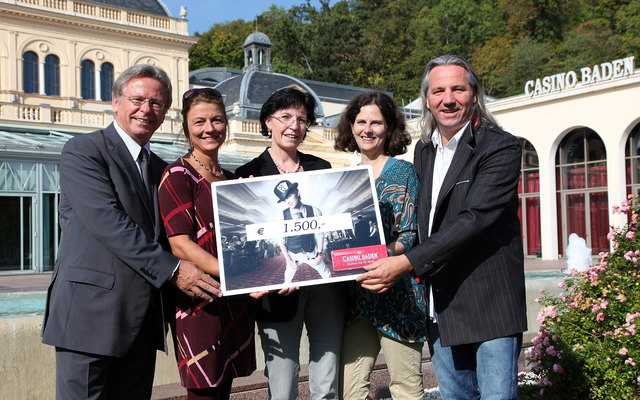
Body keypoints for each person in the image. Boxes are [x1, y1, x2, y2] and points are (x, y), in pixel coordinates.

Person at [41, 65, 221, 400]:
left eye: (157, 104)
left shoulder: (161, 169)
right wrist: (174, 270)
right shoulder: (84, 151)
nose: (146, 109)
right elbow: (108, 222)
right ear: (115, 102)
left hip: (141, 322)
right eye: (137, 99)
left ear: (165, 112)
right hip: (88, 319)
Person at [357, 55, 527, 399]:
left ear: (474, 95)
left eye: (457, 89)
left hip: (489, 305)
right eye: (438, 91)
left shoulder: (501, 146)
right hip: (442, 307)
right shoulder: (424, 151)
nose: (448, 99)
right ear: (427, 99)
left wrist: (404, 263)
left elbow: (474, 218)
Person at [235, 88, 347, 400]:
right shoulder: (247, 175)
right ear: (268, 122)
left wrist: (321, 251)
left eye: (301, 119)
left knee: (327, 381)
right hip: (278, 294)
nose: (294, 125)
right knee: (282, 386)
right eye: (285, 117)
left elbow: (327, 220)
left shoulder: (320, 168)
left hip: (325, 289)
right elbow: (253, 235)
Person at [158, 88, 256, 400]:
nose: (209, 128)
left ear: (226, 124)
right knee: (205, 391)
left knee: (224, 386)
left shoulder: (229, 178)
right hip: (200, 298)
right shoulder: (177, 174)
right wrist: (235, 275)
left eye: (216, 120)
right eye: (199, 122)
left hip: (233, 298)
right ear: (186, 127)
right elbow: (180, 245)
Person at [334, 91, 427, 400]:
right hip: (357, 300)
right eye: (360, 122)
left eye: (376, 122)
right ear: (351, 126)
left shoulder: (404, 173)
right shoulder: (342, 178)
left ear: (389, 127)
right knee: (351, 390)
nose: (367, 129)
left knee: (406, 389)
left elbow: (410, 232)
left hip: (398, 295)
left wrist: (386, 254)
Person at [272, 179, 331, 283]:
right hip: (293, 255)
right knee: (287, 281)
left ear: (297, 192)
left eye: (289, 196)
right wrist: (289, 260)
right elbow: (281, 241)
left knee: (327, 275)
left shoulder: (314, 210)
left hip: (312, 252)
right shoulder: (282, 216)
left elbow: (319, 234)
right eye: (284, 199)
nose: (288, 201)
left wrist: (319, 254)